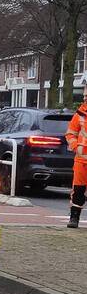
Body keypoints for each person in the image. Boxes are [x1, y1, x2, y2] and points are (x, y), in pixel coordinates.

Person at [65, 90, 87, 228]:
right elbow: (70, 133)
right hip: (81, 159)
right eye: (84, 96)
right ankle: (74, 217)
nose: (85, 98)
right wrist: (75, 146)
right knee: (78, 190)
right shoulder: (80, 114)